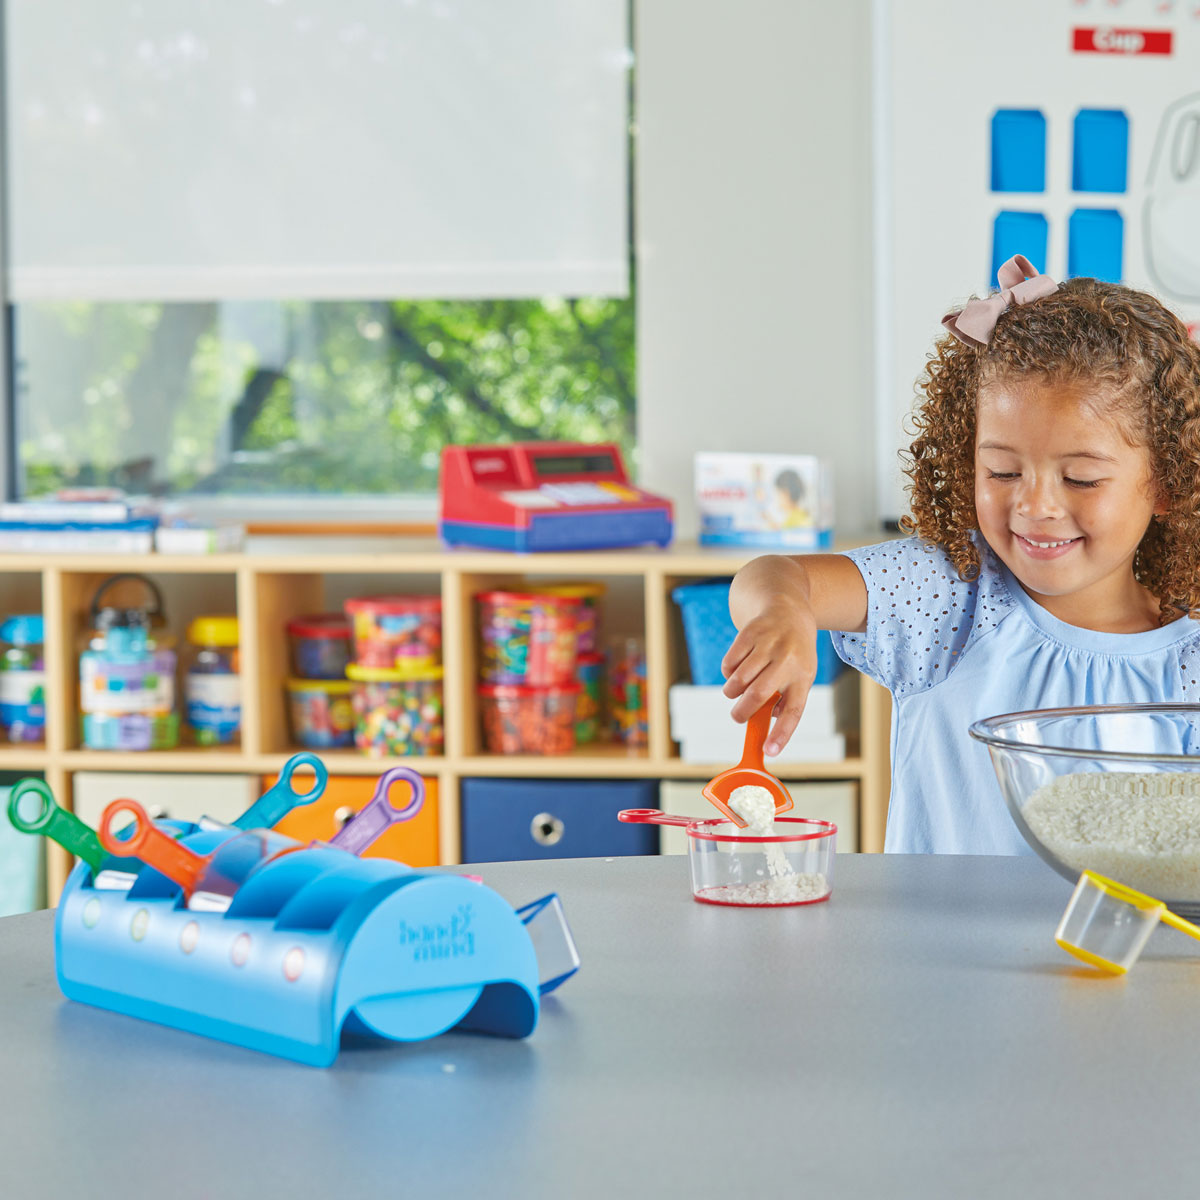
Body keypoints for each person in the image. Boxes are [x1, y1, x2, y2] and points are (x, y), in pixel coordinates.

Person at [721, 255, 1200, 853]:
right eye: (1001, 470)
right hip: (930, 950)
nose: (1035, 506)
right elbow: (778, 575)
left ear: (1169, 484)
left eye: (1079, 479)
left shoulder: (1187, 663)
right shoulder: (953, 596)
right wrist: (783, 612)